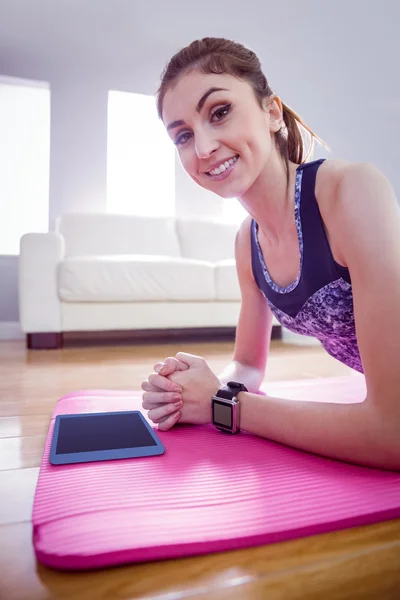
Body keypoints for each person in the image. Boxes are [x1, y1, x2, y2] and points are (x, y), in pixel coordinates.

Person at [141, 37, 400, 470]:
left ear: (272, 112)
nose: (203, 148)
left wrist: (225, 408)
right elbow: (247, 368)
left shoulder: (351, 191)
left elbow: (392, 431)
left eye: (219, 112)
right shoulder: (247, 243)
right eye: (183, 135)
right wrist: (195, 390)